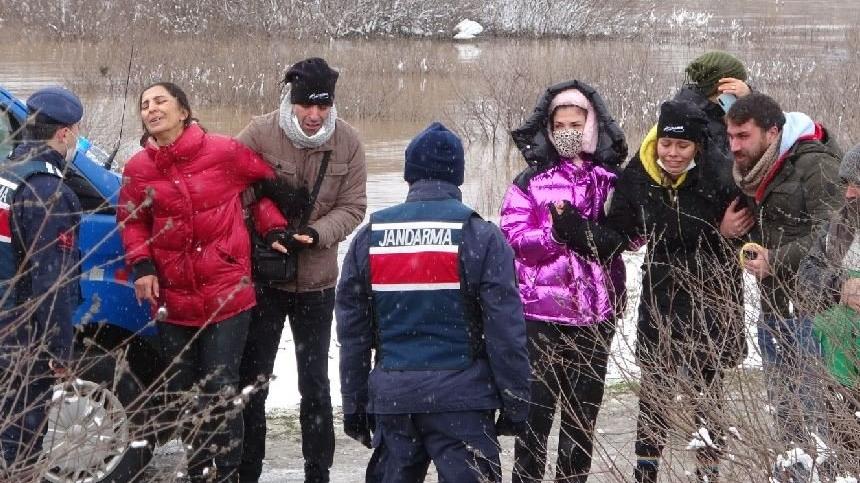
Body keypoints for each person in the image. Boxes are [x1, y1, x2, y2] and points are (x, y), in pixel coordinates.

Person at [557, 99, 748, 482]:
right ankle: (647, 473)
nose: (672, 154)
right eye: (666, 144)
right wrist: (573, 228)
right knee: (654, 394)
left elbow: (750, 233)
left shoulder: (720, 175)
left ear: (697, 146)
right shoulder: (639, 176)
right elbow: (619, 237)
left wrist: (724, 235)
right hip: (660, 294)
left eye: (682, 146)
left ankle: (708, 473)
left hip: (714, 293)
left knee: (708, 393)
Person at [336, 122, 530, 483]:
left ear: (409, 175)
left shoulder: (370, 238)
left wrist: (354, 404)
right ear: (457, 175)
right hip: (464, 404)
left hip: (395, 400)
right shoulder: (481, 236)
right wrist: (517, 400)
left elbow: (353, 334)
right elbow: (506, 331)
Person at [117, 82, 291, 483]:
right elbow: (132, 221)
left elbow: (264, 184)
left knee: (221, 388)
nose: (152, 109)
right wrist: (142, 266)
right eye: (145, 105)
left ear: (183, 111)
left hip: (226, 293)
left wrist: (277, 227)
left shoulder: (224, 151)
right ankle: (198, 471)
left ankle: (228, 472)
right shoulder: (138, 168)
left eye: (160, 101)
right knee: (185, 392)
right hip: (172, 298)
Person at [236, 57, 367, 483]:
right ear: (290, 101)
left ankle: (318, 472)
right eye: (305, 106)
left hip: (317, 283)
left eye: (322, 107)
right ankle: (246, 469)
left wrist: (317, 232)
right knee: (253, 383)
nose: (314, 116)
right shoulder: (258, 133)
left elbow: (354, 207)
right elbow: (234, 191)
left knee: (315, 386)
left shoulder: (348, 142)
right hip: (265, 280)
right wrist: (265, 228)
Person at [500, 80, 627, 483]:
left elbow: (632, 235)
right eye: (560, 124)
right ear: (548, 129)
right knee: (534, 415)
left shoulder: (609, 179)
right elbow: (513, 239)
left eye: (577, 122)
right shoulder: (529, 182)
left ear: (592, 126)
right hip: (540, 315)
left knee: (581, 419)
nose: (568, 131)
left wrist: (597, 233)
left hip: (596, 314)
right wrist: (557, 234)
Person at [726, 92, 842, 449]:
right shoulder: (751, 171)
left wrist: (775, 259)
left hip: (816, 312)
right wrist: (731, 235)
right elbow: (758, 234)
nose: (734, 146)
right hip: (772, 309)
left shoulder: (814, 164)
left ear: (773, 132)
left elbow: (837, 237)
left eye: (743, 136)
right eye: (730, 136)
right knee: (785, 415)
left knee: (816, 418)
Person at [0, 86, 83, 473]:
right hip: (22, 335)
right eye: (76, 132)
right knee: (24, 436)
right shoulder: (48, 190)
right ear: (64, 133)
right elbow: (51, 282)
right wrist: (58, 351)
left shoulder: (7, 172)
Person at [797, 143, 860, 472]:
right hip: (841, 376)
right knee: (846, 465)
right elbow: (804, 282)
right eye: (847, 183)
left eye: (859, 185)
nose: (849, 194)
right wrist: (839, 288)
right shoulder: (840, 227)